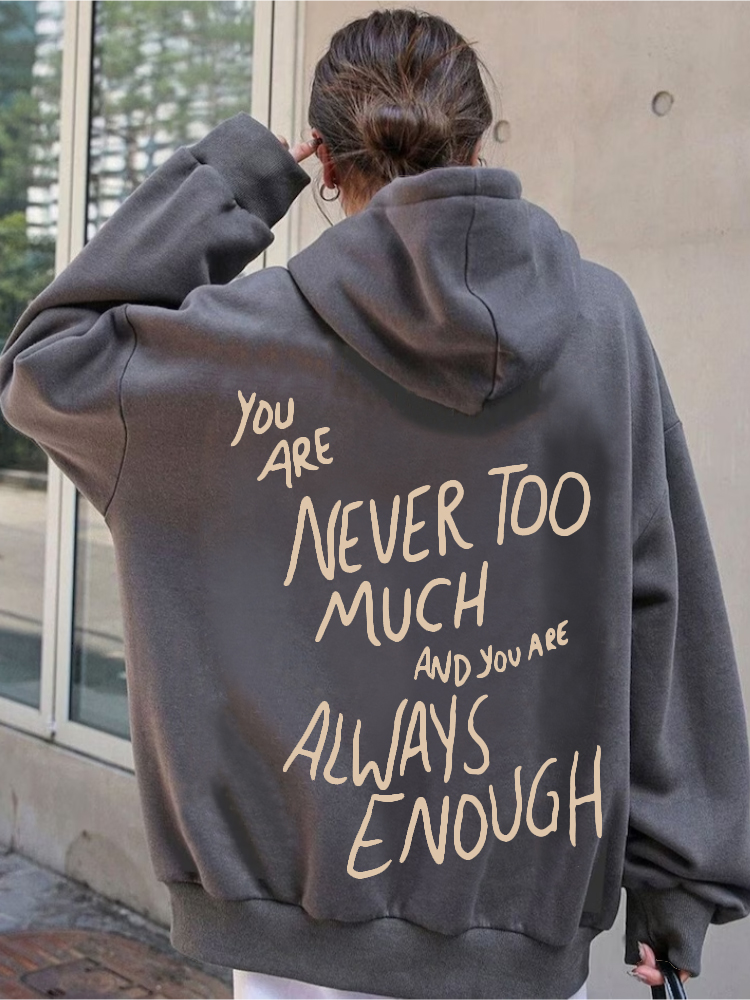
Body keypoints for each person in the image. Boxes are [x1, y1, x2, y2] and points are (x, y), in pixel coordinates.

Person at [1, 6, 749, 999]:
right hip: (523, 940)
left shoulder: (241, 345)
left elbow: (45, 367)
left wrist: (241, 178)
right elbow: (660, 593)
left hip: (297, 948)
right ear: (478, 146)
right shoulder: (601, 324)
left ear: (328, 162)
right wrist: (676, 882)